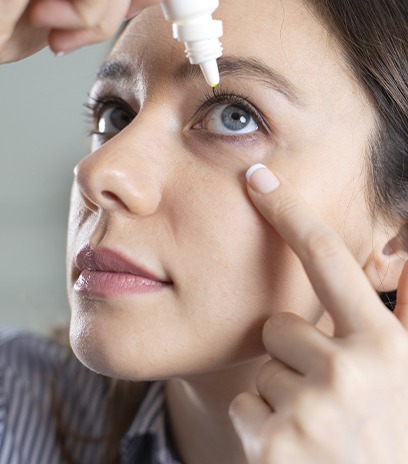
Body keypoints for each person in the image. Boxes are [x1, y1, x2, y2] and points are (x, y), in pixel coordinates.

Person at [1, 0, 407, 463]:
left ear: (399, 238)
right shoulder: (15, 408)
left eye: (235, 116)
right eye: (114, 115)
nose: (101, 171)